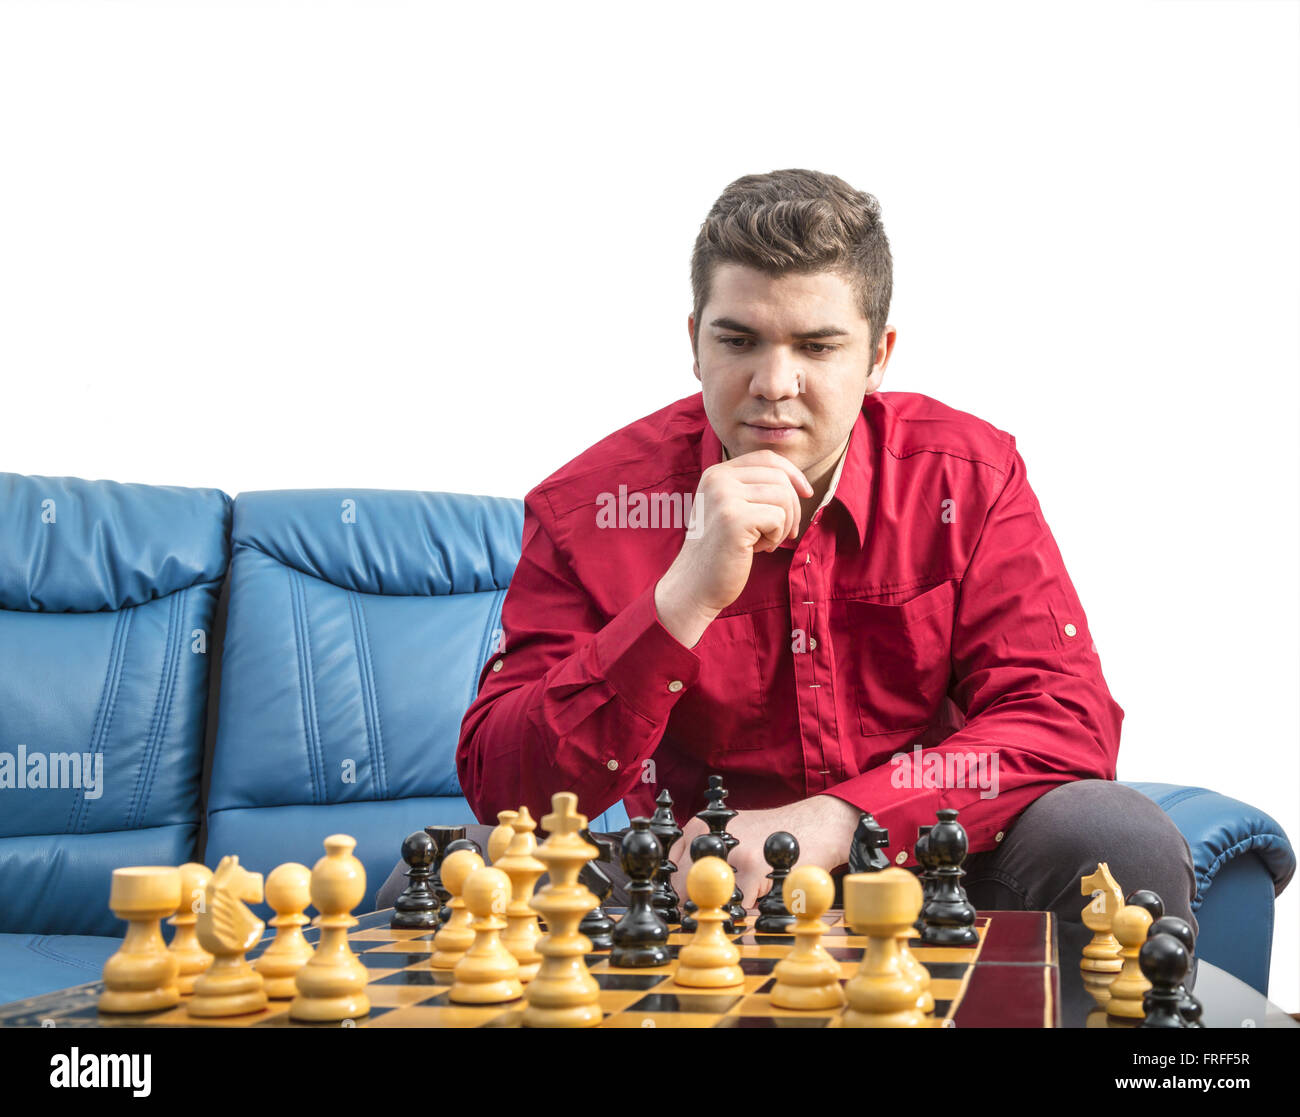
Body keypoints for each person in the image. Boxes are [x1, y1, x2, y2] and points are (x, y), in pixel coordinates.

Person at [379, 169, 1197, 963]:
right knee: (457, 871)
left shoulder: (967, 478)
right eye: (737, 340)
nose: (774, 386)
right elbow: (503, 788)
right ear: (692, 343)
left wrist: (844, 817)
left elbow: (1064, 718)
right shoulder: (588, 505)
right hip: (691, 883)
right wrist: (678, 603)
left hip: (931, 863)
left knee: (1113, 835)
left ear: (878, 356)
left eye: (817, 345)